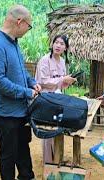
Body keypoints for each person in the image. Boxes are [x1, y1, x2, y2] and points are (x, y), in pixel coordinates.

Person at [0, 5, 40, 180]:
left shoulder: (13, 43)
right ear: (19, 22)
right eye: (29, 26)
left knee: (23, 149)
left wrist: (32, 82)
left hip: (18, 110)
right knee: (8, 155)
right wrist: (26, 92)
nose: (28, 30)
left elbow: (21, 70)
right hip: (4, 112)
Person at [35, 34, 76, 164]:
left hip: (58, 99)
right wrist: (62, 79)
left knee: (57, 128)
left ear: (66, 48)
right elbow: (43, 81)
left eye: (62, 44)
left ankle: (57, 158)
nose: (58, 45)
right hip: (45, 99)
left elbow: (60, 84)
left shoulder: (62, 62)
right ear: (52, 44)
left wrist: (68, 82)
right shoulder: (45, 60)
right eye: (56, 42)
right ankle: (48, 162)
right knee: (47, 130)